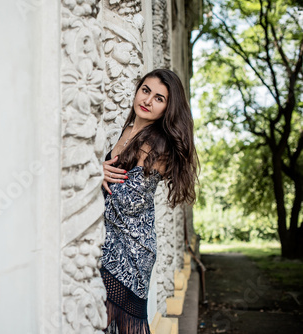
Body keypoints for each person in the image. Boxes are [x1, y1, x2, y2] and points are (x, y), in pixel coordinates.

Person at [100, 69, 198, 333]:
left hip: (132, 248)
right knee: (108, 322)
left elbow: (127, 201)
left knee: (127, 322)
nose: (148, 100)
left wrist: (94, 175)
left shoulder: (156, 146)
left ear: (168, 108)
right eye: (145, 90)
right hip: (109, 244)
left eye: (159, 98)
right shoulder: (127, 130)